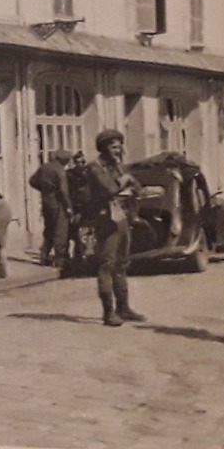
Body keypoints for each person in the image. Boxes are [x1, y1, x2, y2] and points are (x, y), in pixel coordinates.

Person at [79, 130, 146, 325]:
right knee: (107, 264)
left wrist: (131, 185)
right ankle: (108, 312)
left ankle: (123, 308)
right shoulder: (95, 167)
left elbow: (136, 186)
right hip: (105, 218)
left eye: (119, 147)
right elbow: (108, 189)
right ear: (103, 148)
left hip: (122, 216)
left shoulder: (118, 166)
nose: (117, 151)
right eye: (113, 147)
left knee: (122, 264)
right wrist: (124, 181)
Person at [29, 150, 75, 267]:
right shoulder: (60, 171)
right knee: (61, 230)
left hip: (46, 201)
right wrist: (69, 207)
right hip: (58, 202)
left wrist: (44, 189)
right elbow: (64, 191)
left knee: (49, 229)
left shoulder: (44, 167)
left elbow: (32, 181)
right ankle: (59, 260)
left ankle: (44, 255)